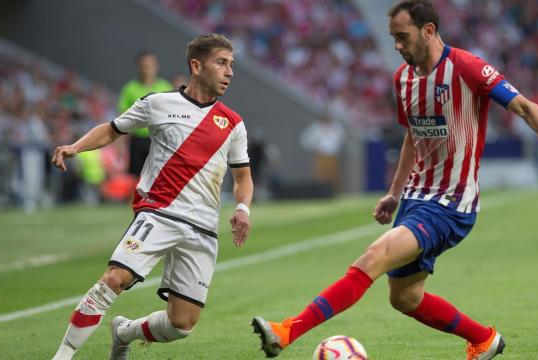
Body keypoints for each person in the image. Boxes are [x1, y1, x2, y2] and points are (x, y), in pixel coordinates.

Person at [251, 1, 538, 359]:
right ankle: (485, 340)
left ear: (428, 30)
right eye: (393, 38)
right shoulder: (403, 80)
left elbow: (524, 106)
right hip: (416, 199)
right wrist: (394, 194)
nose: (397, 46)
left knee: (374, 256)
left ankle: (287, 331)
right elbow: (413, 138)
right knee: (405, 298)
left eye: (403, 37)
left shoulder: (467, 67)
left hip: (450, 204)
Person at [51, 34, 253, 360]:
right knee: (114, 278)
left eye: (231, 65)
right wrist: (75, 147)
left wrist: (243, 207)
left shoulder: (233, 123)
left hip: (202, 228)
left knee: (181, 324)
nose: (229, 72)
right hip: (158, 213)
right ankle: (62, 356)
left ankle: (124, 332)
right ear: (196, 65)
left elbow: (243, 176)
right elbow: (112, 129)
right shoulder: (158, 103)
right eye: (222, 63)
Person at [117, 51, 173, 177]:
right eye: (143, 66)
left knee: (158, 176)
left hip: (159, 140)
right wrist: (120, 145)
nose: (146, 70)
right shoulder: (129, 89)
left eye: (149, 66)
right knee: (136, 179)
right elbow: (122, 119)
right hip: (137, 139)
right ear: (138, 68)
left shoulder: (166, 87)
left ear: (156, 66)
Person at [300, 111, 345, 193]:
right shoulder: (316, 128)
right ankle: (320, 193)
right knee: (321, 176)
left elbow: (341, 140)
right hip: (321, 156)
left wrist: (337, 149)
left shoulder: (336, 127)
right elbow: (306, 140)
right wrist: (314, 149)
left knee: (333, 176)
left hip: (333, 156)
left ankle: (335, 192)